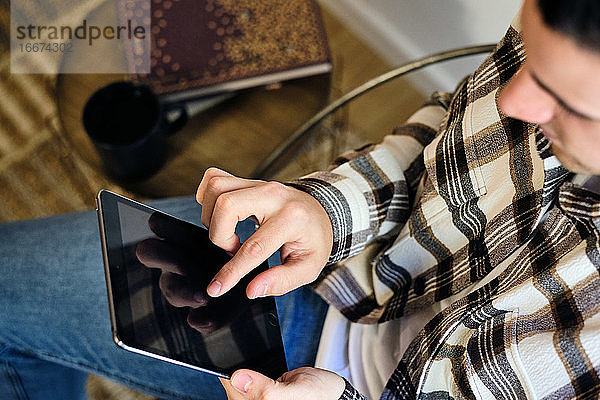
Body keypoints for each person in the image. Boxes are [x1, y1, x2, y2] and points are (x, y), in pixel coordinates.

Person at [1, 0, 599, 398]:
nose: (516, 102)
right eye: (524, 58)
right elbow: (455, 123)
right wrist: (327, 209)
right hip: (327, 279)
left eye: (564, 102)